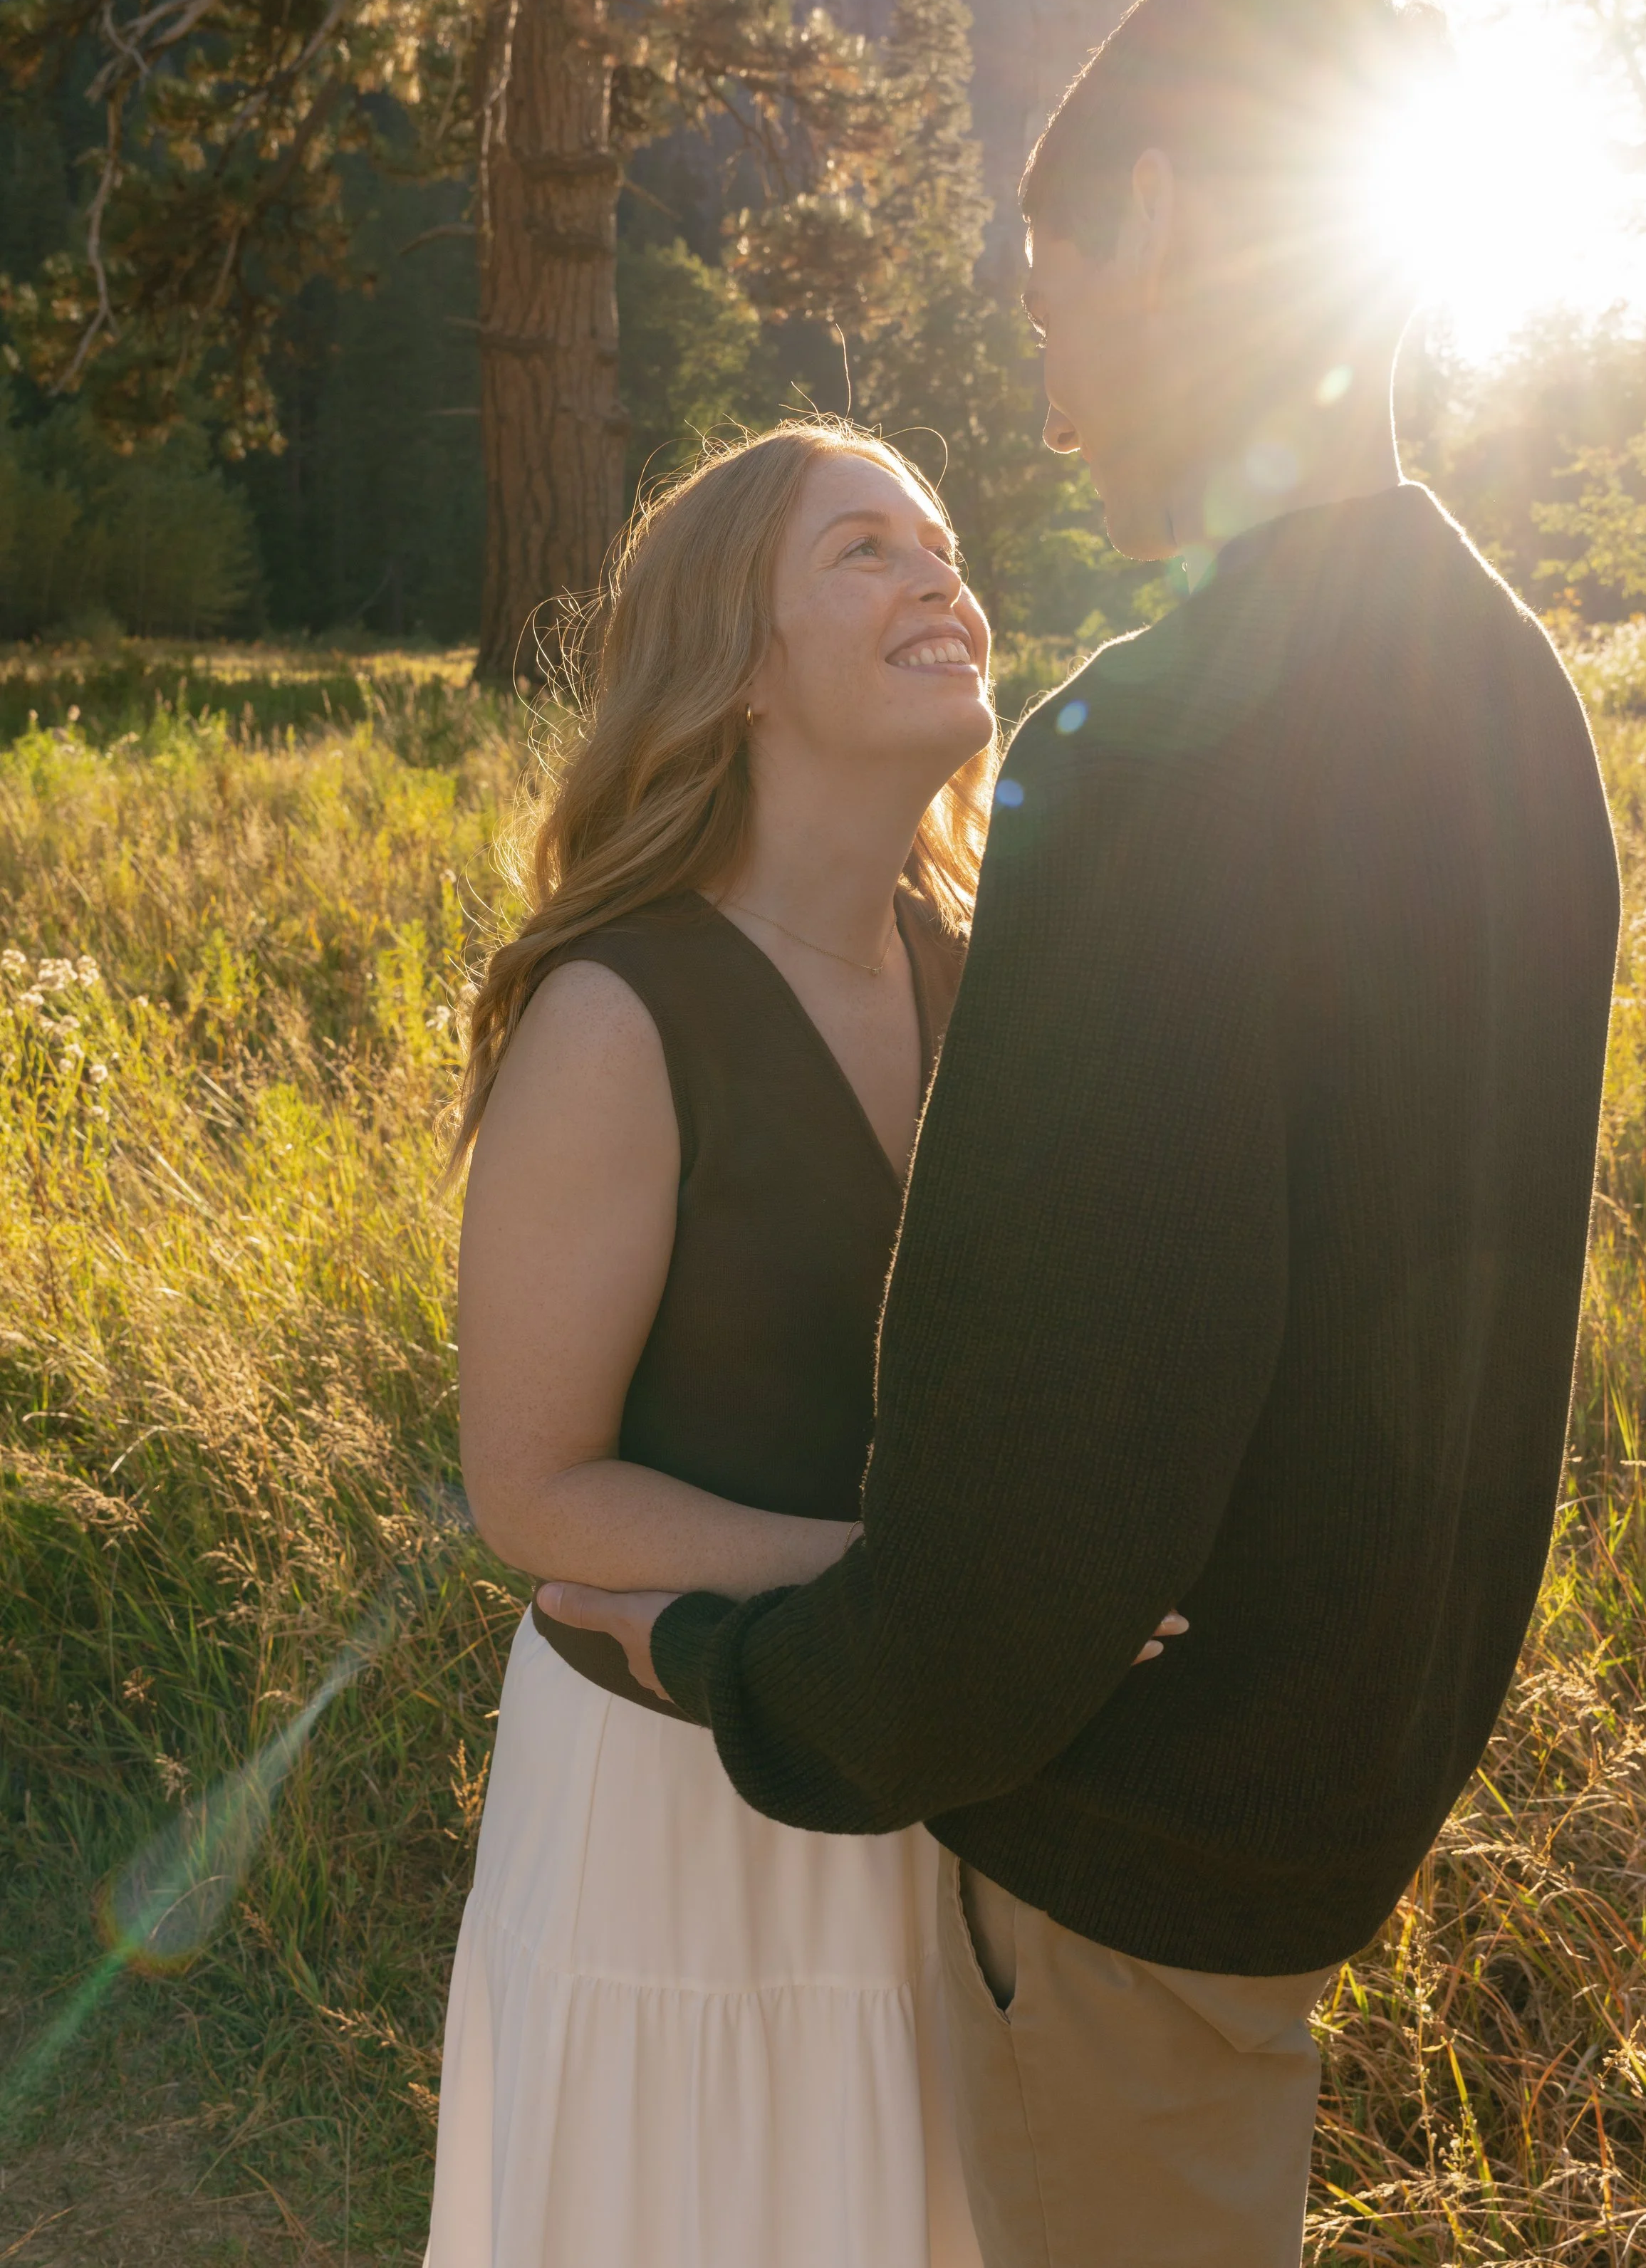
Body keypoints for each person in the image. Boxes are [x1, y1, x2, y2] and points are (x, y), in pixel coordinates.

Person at [541, 0, 1625, 2268]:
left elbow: (1047, 1497)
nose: (1041, 407)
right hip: (1307, 1829)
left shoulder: (1160, 756)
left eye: (1044, 303)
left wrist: (728, 1668)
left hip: (1127, 1861)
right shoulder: (1506, 694)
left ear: (1156, 222)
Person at [424, 423, 998, 2268]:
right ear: (733, 664)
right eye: (864, 551)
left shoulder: (977, 967)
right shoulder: (615, 1007)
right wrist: (899, 1582)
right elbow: (533, 1486)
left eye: (942, 540)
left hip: (910, 1768)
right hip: (674, 1806)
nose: (938, 576)